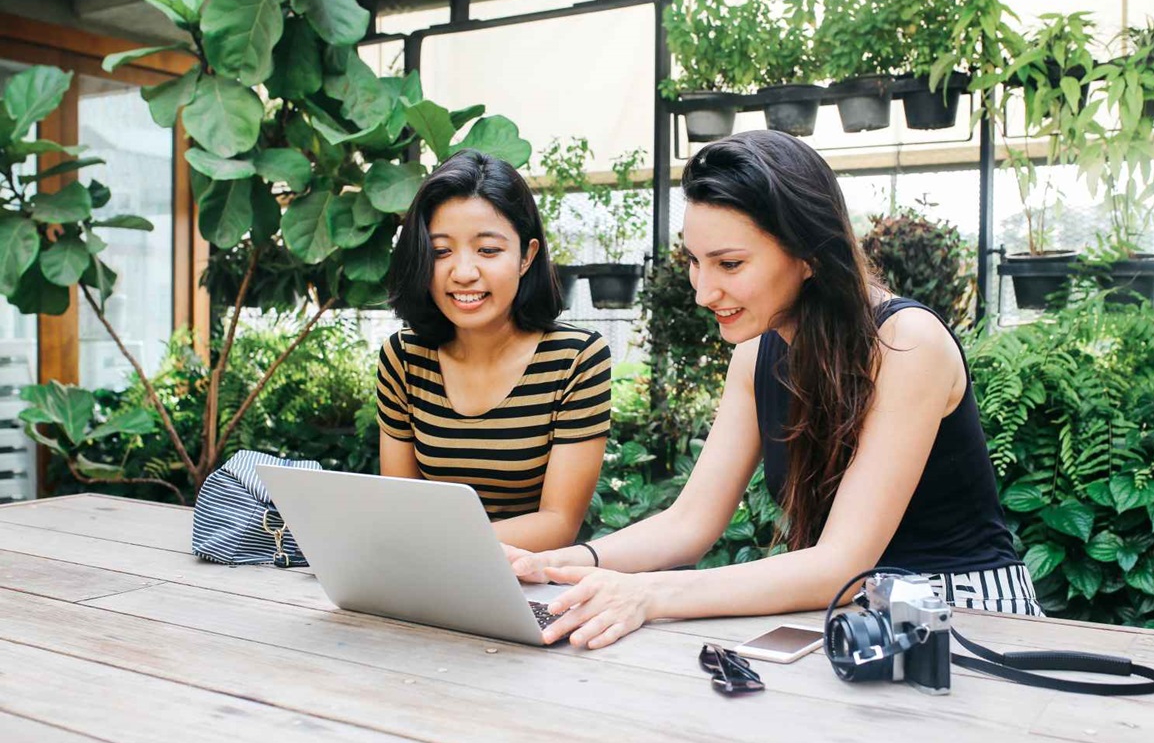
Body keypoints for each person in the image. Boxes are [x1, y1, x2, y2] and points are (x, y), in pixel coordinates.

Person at [507, 130, 1041, 648]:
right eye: (695, 261)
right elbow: (690, 522)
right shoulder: (755, 354)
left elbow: (843, 563)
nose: (703, 291)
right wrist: (564, 563)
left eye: (730, 263)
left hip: (969, 621)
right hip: (856, 618)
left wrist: (649, 593)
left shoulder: (907, 343)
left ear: (808, 253)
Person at [377, 150, 611, 552]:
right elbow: (401, 506)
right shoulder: (404, 357)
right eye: (441, 251)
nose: (464, 272)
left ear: (527, 256)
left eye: (488, 250)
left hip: (531, 585)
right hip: (424, 577)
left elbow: (558, 523)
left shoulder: (576, 359)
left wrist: (433, 545)